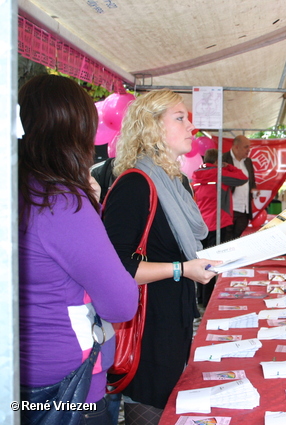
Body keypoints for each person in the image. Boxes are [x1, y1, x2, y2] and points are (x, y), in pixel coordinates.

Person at [18, 74, 138, 425]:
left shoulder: (19, 188)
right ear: (78, 131)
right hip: (68, 385)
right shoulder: (62, 201)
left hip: (21, 371)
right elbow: (121, 301)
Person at [103, 89, 218, 424]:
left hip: (175, 319)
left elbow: (187, 246)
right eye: (179, 118)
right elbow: (117, 268)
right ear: (151, 127)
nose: (190, 127)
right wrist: (182, 269)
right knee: (150, 407)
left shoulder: (176, 181)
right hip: (147, 325)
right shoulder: (135, 185)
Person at [192, 148, 249, 248]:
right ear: (217, 161)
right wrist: (229, 167)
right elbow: (243, 178)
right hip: (220, 220)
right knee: (219, 254)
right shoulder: (220, 174)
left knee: (204, 252)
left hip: (202, 220)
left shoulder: (196, 174)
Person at [222, 135, 257, 240]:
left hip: (244, 208)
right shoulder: (224, 159)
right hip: (229, 208)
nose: (249, 150)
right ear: (236, 147)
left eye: (249, 147)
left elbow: (252, 180)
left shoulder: (248, 161)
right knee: (226, 239)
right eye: (246, 147)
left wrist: (253, 188)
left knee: (237, 236)